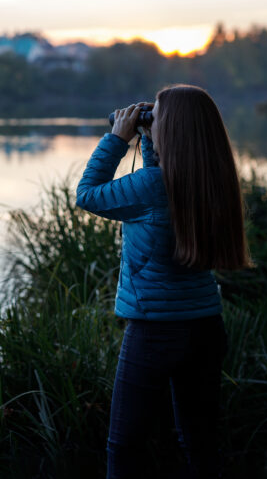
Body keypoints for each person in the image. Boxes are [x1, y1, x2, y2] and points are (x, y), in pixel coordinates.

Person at [75, 84, 251, 479]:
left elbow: (87, 195)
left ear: (171, 128)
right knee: (200, 443)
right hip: (206, 325)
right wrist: (152, 143)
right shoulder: (212, 179)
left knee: (124, 448)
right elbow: (163, 176)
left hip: (155, 331)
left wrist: (118, 139)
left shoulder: (152, 188)